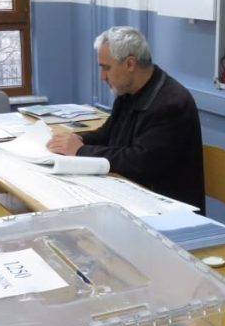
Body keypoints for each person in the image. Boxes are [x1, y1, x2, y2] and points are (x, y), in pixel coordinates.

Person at [46, 27, 206, 212]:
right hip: (131, 196)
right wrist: (74, 140)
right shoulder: (128, 92)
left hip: (166, 210)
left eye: (106, 68)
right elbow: (107, 134)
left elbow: (139, 162)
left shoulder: (171, 103)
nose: (102, 76)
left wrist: (81, 150)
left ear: (130, 64)